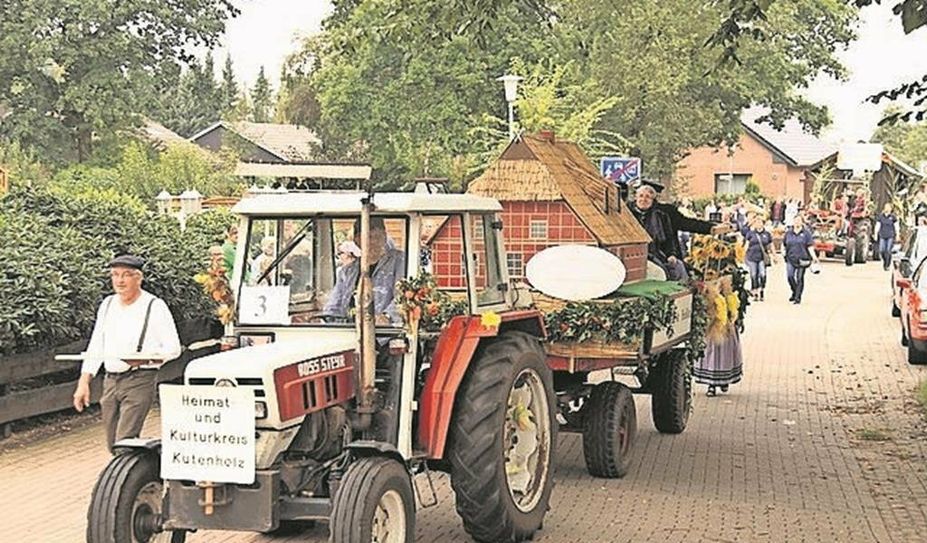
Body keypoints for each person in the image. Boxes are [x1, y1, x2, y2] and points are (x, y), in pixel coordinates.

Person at [72, 255, 182, 453]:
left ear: (138, 278)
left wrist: (145, 358)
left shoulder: (154, 306)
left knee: (125, 442)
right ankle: (130, 477)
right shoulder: (107, 304)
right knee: (112, 442)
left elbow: (173, 348)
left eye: (126, 275)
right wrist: (83, 382)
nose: (120, 281)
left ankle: (122, 482)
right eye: (115, 275)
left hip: (139, 378)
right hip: (111, 380)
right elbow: (96, 344)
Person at [629, 183, 730, 281]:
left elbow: (687, 224)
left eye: (648, 196)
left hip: (660, 255)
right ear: (635, 197)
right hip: (635, 256)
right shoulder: (627, 211)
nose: (643, 199)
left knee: (679, 271)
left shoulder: (664, 213)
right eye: (641, 196)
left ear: (654, 199)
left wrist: (711, 227)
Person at [323, 217, 405, 324]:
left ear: (385, 237)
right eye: (369, 237)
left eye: (378, 237)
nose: (374, 242)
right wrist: (326, 318)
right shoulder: (347, 272)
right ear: (357, 240)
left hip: (385, 335)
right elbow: (334, 304)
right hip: (350, 332)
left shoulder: (400, 261)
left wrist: (387, 317)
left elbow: (404, 297)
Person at [783, 215, 819, 304]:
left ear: (802, 222)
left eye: (799, 220)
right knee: (790, 276)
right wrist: (783, 253)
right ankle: (795, 291)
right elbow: (784, 244)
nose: (797, 222)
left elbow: (810, 246)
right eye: (795, 220)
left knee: (799, 278)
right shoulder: (788, 233)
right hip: (790, 258)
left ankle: (798, 297)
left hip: (803, 259)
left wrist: (814, 257)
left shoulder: (806, 233)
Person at [743, 217, 773, 301]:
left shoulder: (767, 234)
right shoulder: (750, 233)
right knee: (753, 274)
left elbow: (770, 245)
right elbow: (746, 244)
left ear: (763, 224)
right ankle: (755, 291)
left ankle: (761, 289)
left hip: (762, 257)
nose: (758, 224)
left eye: (760, 222)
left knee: (762, 274)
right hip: (751, 256)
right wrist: (743, 254)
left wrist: (774, 255)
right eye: (756, 223)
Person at [875, 203, 898, 270]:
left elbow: (896, 226)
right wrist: (876, 234)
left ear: (891, 209)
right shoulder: (881, 216)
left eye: (888, 207)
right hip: (882, 235)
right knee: (882, 250)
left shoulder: (893, 217)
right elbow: (877, 226)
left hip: (890, 235)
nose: (887, 209)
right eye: (886, 207)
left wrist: (897, 234)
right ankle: (885, 261)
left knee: (888, 250)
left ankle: (887, 264)